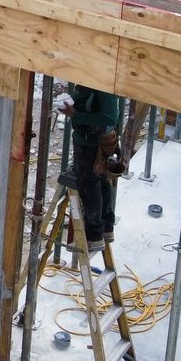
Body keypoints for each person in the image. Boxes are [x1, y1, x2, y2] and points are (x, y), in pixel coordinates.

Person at [59, 82, 120, 251]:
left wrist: (75, 114)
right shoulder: (93, 79)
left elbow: (110, 117)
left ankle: (94, 236)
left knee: (89, 186)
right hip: (92, 140)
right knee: (101, 181)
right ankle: (106, 228)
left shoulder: (102, 83)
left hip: (91, 144)